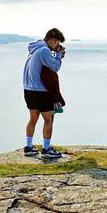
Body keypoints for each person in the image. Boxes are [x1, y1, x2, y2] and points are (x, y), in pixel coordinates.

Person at [22, 28, 67, 159]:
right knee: (48, 120)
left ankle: (29, 147)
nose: (57, 45)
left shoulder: (34, 50)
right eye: (57, 42)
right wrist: (59, 55)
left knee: (33, 119)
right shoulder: (44, 51)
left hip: (29, 90)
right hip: (41, 92)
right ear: (52, 40)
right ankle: (46, 149)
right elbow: (55, 67)